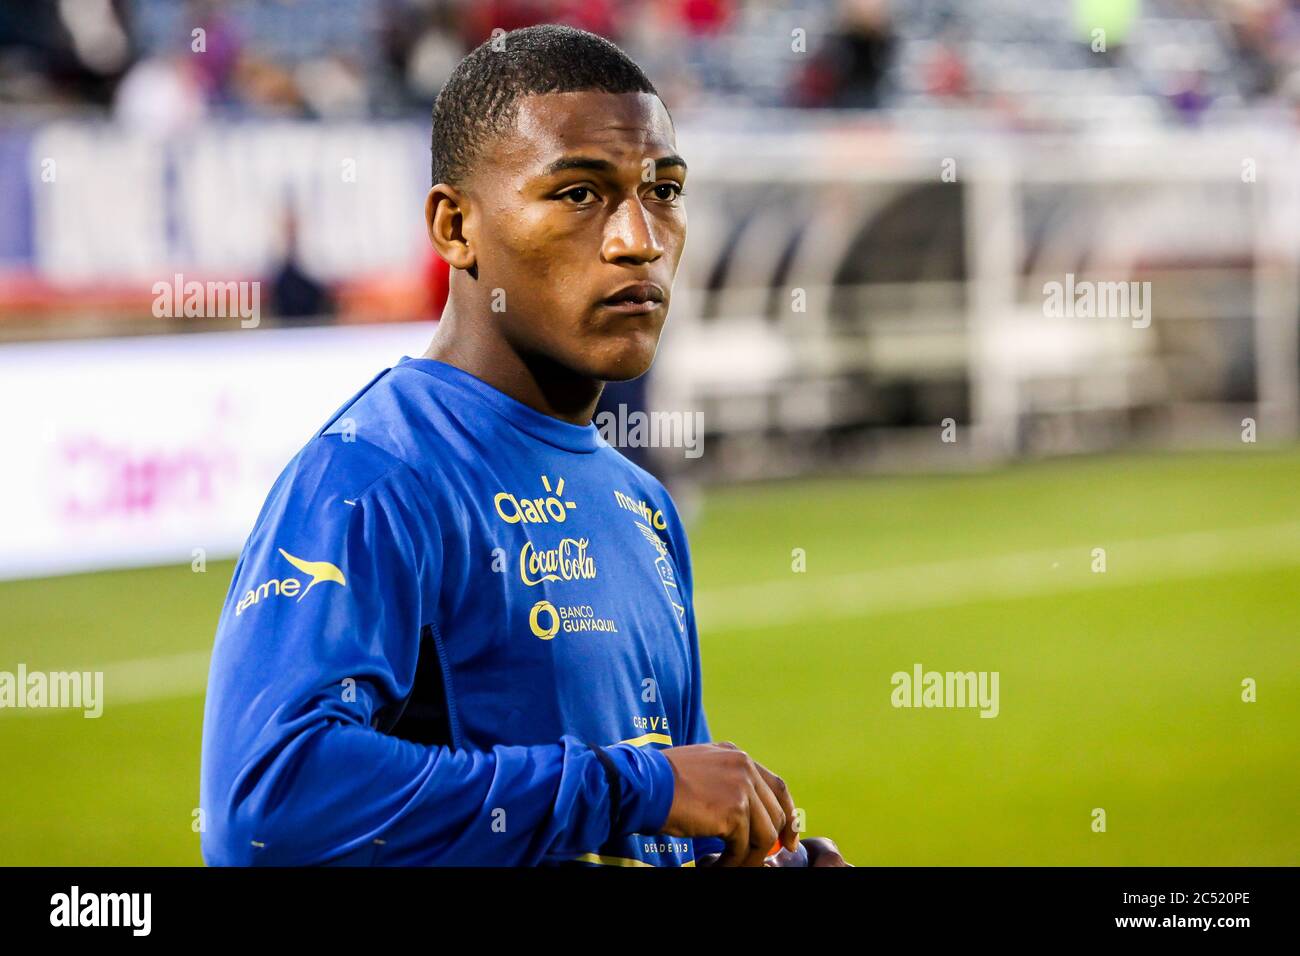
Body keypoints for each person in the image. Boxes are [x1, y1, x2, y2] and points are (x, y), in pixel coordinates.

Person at [200, 23, 847, 867]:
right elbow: (265, 809)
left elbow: (662, 820)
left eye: (663, 190)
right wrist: (639, 787)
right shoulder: (374, 477)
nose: (637, 238)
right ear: (455, 226)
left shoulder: (642, 506)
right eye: (580, 194)